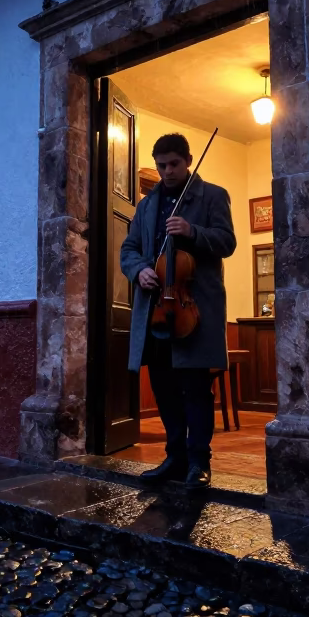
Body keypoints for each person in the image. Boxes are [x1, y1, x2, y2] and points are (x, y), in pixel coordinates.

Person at [120, 132, 237, 489]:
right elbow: (129, 248)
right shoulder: (146, 205)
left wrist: (192, 231)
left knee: (196, 388)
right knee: (165, 387)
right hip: (156, 310)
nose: (166, 171)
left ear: (187, 161)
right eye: (160, 165)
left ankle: (199, 462)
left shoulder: (213, 196)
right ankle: (175, 457)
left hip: (193, 310)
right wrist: (139, 269)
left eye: (173, 164)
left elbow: (227, 242)